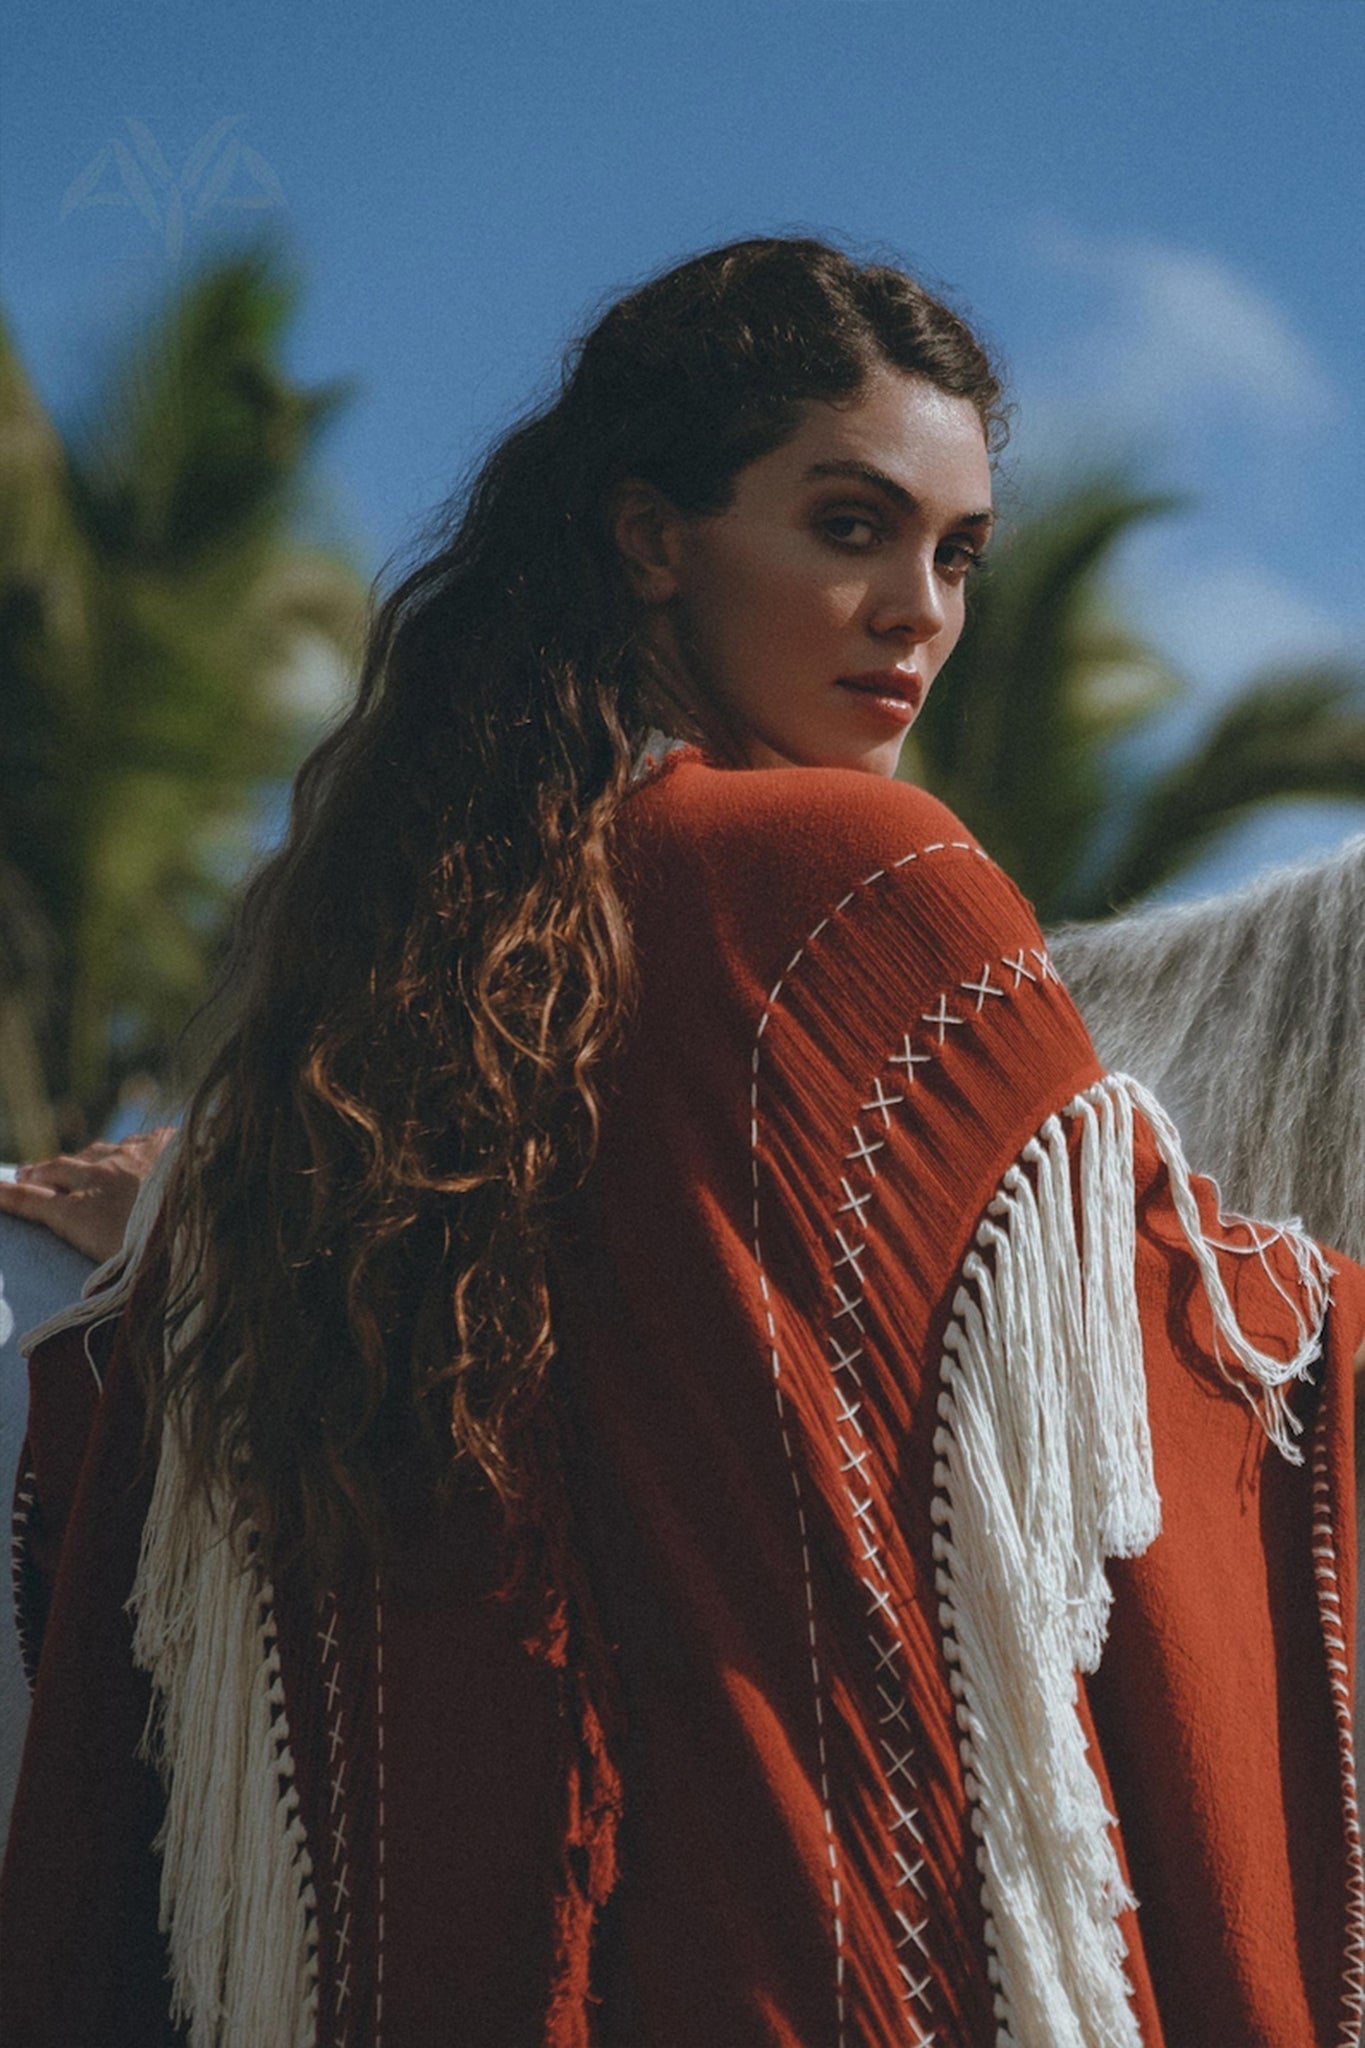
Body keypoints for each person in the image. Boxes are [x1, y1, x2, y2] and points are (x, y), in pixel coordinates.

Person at [1, 237, 1361, 2048]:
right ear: (652, 537)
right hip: (790, 1956)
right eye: (850, 527)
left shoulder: (429, 955)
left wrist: (181, 1204)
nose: (920, 614)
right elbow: (1145, 1340)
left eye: (954, 552)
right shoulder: (861, 887)